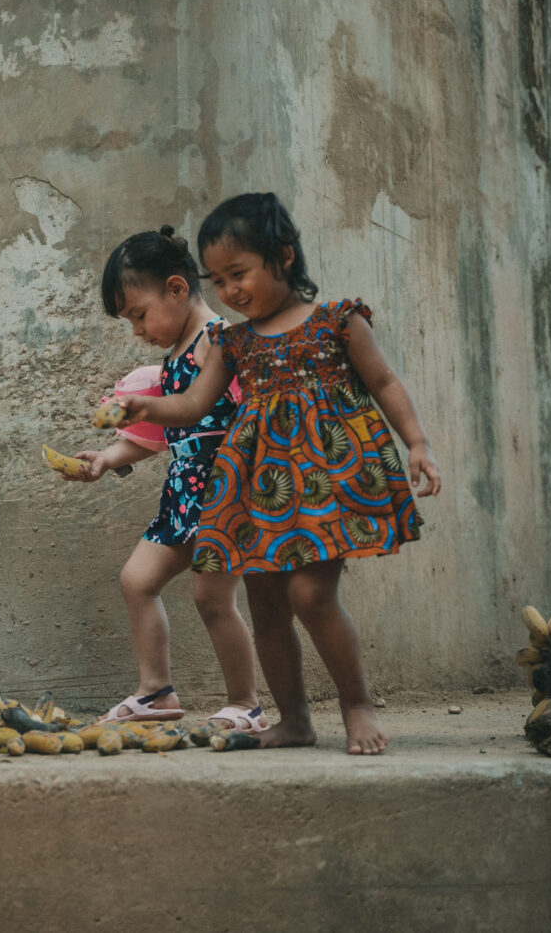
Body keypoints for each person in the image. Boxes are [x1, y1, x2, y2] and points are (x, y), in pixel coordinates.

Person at [109, 193, 441, 754]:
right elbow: (192, 405)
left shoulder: (338, 321)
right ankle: (293, 720)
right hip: (258, 492)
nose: (229, 291)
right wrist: (146, 407)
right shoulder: (232, 342)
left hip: (325, 483)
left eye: (238, 274)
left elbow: (384, 382)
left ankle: (357, 704)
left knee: (310, 595)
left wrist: (418, 443)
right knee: (264, 603)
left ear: (283, 257)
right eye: (218, 280)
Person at [63, 226, 264, 736]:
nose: (137, 330)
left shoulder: (216, 342)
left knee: (212, 599)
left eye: (138, 314)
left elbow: (254, 413)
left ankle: (246, 703)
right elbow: (161, 432)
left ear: (176, 289)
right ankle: (156, 691)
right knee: (137, 580)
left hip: (224, 493)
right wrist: (108, 457)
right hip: (183, 495)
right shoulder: (174, 357)